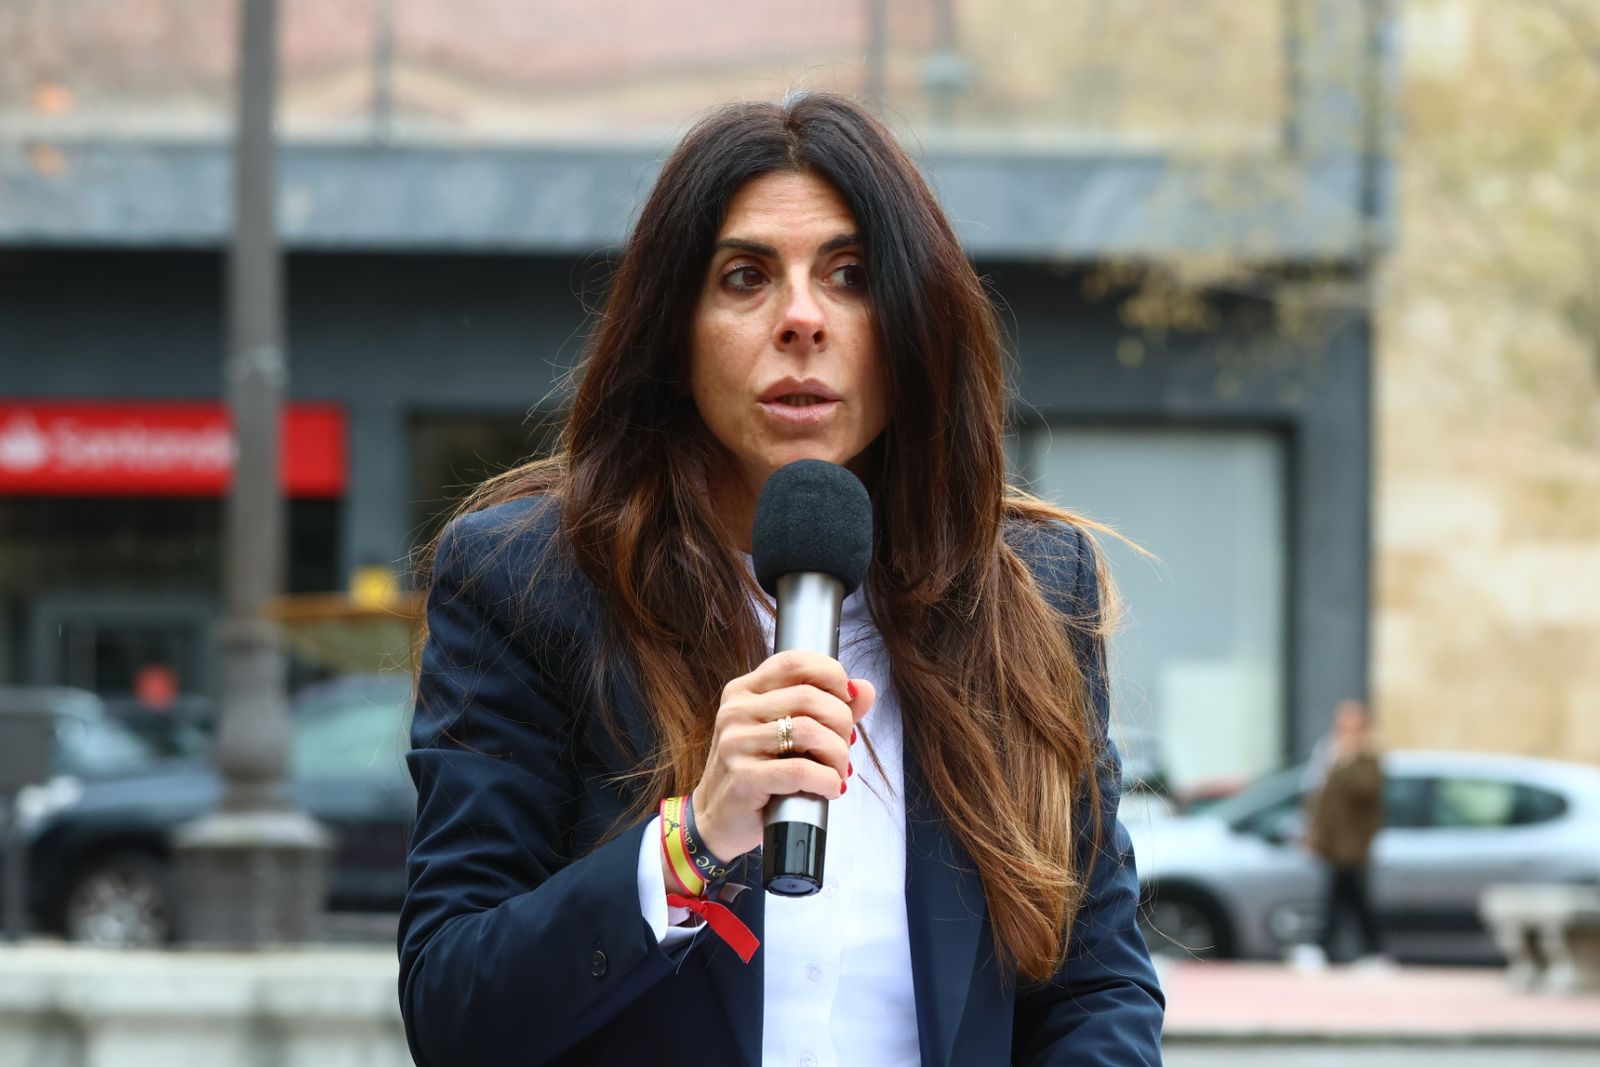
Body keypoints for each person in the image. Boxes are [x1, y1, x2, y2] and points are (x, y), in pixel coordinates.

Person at [398, 92, 1165, 1066]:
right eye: (746, 276)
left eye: (849, 275)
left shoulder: (1025, 596)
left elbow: (1095, 982)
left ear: (913, 321)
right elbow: (452, 1009)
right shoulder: (530, 585)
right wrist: (692, 842)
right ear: (675, 330)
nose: (801, 319)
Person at [1304, 699, 1387, 966]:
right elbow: (1320, 798)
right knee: (1346, 898)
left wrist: (1346, 762)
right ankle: (1369, 951)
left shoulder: (1367, 760)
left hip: (1353, 846)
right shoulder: (1329, 755)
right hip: (1332, 844)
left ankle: (1332, 948)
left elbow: (1364, 792)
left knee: (1342, 897)